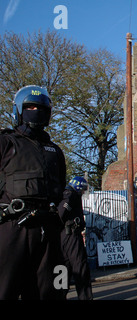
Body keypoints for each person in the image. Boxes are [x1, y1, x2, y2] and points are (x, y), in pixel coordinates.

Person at [0, 85, 67, 299]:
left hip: (48, 232)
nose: (35, 111)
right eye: (29, 106)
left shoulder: (55, 151)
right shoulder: (6, 142)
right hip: (12, 229)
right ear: (18, 110)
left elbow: (61, 191)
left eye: (40, 108)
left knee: (52, 292)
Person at [58, 176, 93, 300]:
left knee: (62, 268)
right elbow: (60, 214)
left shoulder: (65, 193)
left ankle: (59, 296)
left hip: (63, 237)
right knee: (80, 266)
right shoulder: (70, 195)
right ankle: (85, 297)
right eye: (83, 189)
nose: (83, 192)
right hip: (71, 235)